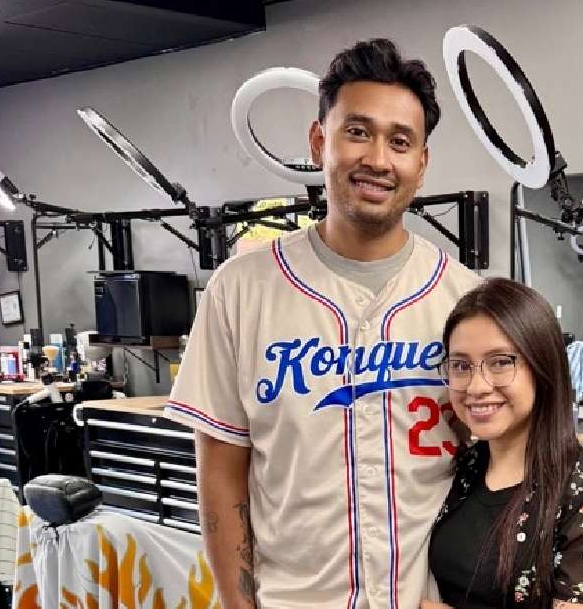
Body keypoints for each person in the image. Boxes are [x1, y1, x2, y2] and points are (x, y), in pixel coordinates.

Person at [164, 39, 481, 609]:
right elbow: (221, 474)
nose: (378, 159)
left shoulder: (466, 299)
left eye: (400, 141)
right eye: (357, 132)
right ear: (318, 142)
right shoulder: (241, 289)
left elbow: (505, 464)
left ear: (422, 163)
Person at [426, 279, 583, 608]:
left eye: (501, 362)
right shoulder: (464, 469)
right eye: (460, 366)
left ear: (543, 367)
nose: (476, 386)